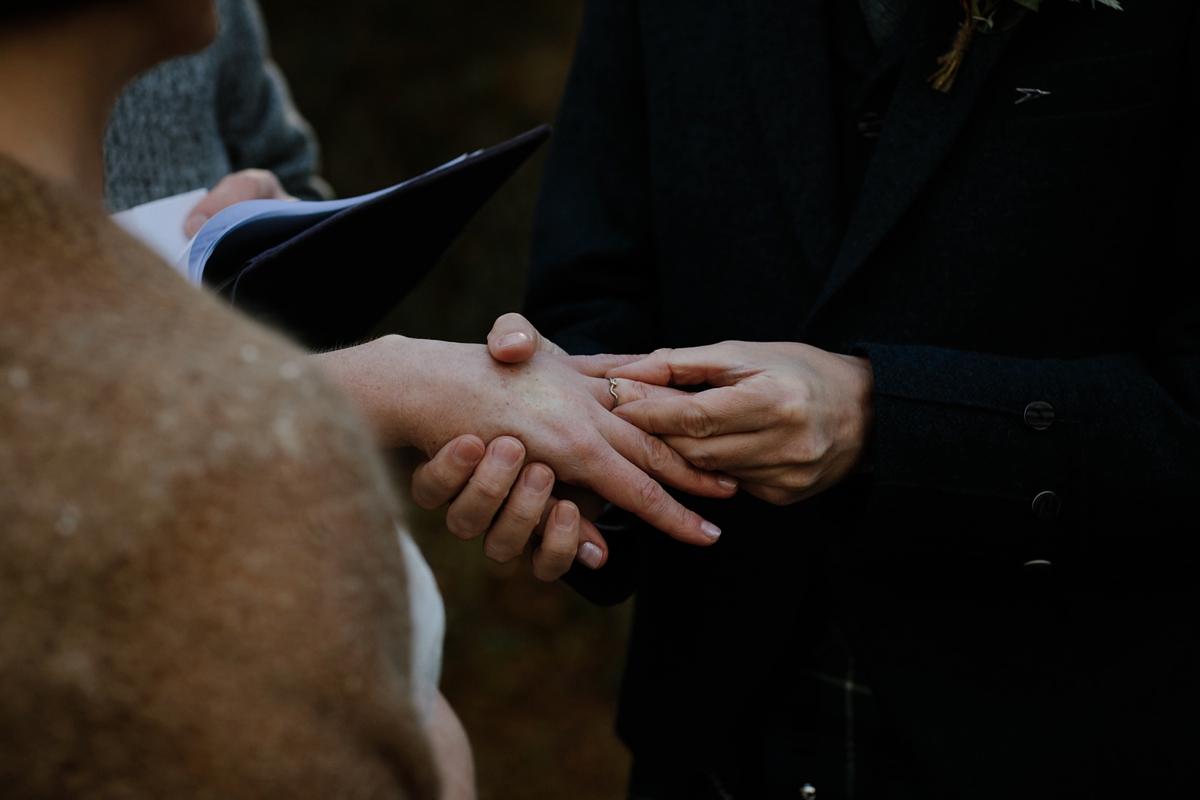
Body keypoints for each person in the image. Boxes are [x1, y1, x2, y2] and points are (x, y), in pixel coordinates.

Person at [520, 0, 1200, 796]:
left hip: (1078, 738)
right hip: (716, 737)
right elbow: (593, 286)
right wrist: (578, 453)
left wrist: (882, 421)